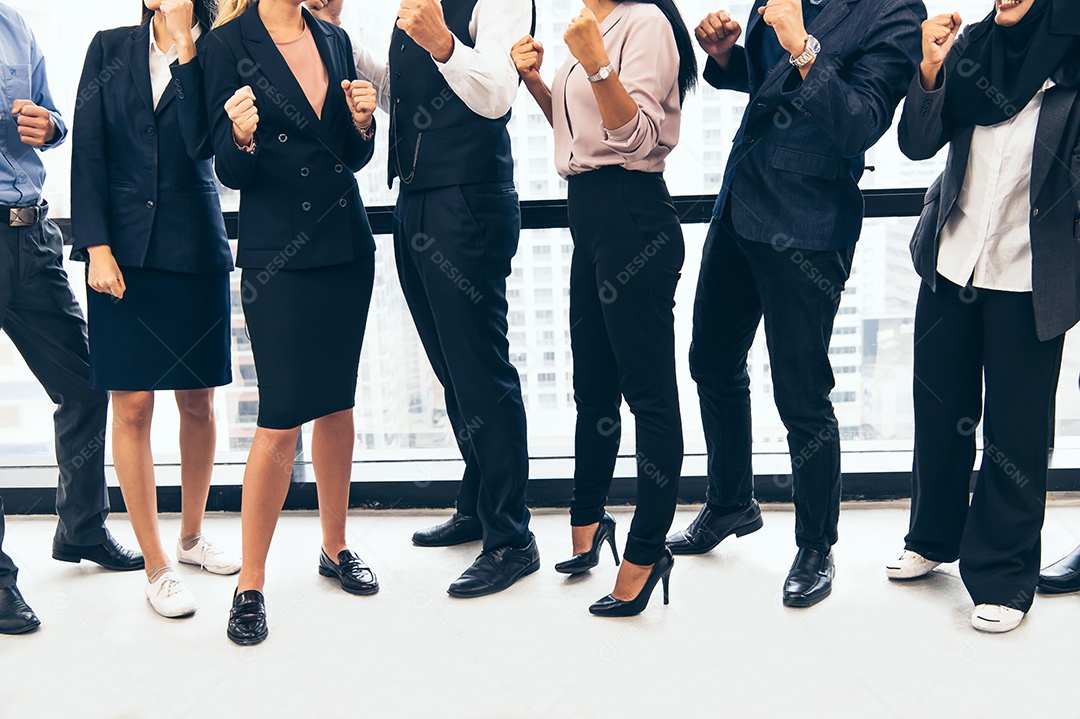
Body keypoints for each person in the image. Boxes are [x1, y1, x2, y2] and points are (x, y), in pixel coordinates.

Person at [665, 0, 924, 608]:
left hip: (808, 223)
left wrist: (804, 46)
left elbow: (859, 122)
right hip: (740, 204)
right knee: (711, 362)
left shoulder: (896, 13)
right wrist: (725, 56)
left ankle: (816, 545)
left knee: (801, 395)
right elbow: (766, 81)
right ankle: (731, 502)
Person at [332, 0, 540, 599]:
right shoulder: (417, 9)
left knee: (480, 370)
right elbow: (403, 93)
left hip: (467, 201)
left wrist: (443, 42)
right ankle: (478, 505)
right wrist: (343, 40)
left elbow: (497, 94)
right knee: (452, 370)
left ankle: (512, 538)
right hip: (417, 199)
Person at [888, 0, 1080, 633]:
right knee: (939, 408)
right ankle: (932, 537)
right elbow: (917, 143)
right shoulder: (972, 47)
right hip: (954, 259)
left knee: (1015, 431)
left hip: (1029, 276)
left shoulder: (1073, 61)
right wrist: (930, 69)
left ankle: (1002, 577)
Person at [198, 0, 379, 645]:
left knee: (337, 404)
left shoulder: (333, 38)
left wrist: (363, 125)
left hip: (345, 245)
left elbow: (351, 155)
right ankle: (250, 584)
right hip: (279, 255)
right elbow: (228, 169)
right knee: (279, 419)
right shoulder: (225, 45)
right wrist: (241, 136)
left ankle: (335, 546)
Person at [510, 0, 694, 616]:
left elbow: (634, 137)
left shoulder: (645, 24)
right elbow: (581, 135)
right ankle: (588, 520)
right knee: (592, 388)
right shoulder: (588, 29)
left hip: (632, 217)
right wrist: (539, 83)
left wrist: (595, 65)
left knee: (649, 397)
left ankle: (647, 550)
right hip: (588, 218)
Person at [69, 0, 241, 620]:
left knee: (198, 400)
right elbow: (88, 150)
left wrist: (188, 51)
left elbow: (206, 143)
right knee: (133, 405)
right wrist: (96, 247)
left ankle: (191, 537)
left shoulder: (216, 49)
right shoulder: (108, 48)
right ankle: (156, 565)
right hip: (122, 254)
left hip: (194, 245)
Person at [0, 2, 144, 636]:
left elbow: (54, 119)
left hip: (32, 237)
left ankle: (82, 528)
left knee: (87, 383)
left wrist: (49, 125)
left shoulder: (15, 26)